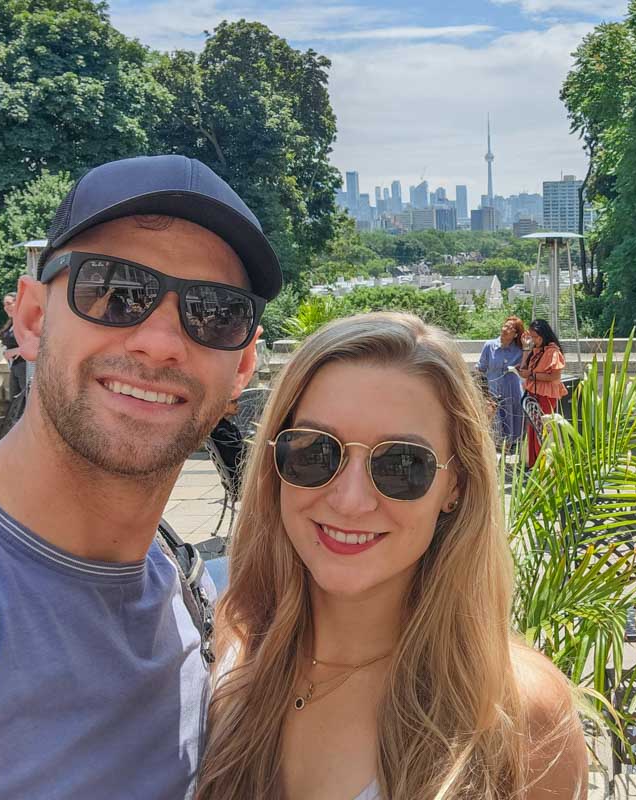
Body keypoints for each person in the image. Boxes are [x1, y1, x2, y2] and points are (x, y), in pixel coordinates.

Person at [0, 154, 281, 797]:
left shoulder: (188, 598)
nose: (160, 341)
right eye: (115, 290)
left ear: (241, 369)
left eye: (214, 312)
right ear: (32, 317)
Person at [196, 312, 587, 800]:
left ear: (455, 485)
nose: (350, 500)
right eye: (315, 452)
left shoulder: (522, 716)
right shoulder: (221, 653)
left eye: (402, 464)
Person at [517, 319, 568, 467]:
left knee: (544, 428)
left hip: (545, 396)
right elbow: (523, 370)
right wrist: (526, 349)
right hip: (532, 393)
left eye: (536, 337)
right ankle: (535, 463)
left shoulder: (553, 352)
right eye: (531, 337)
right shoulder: (536, 350)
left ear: (544, 335)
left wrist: (532, 375)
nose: (533, 340)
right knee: (533, 428)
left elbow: (554, 376)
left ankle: (546, 463)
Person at [476, 315, 526, 450]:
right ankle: (496, 449)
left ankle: (508, 450)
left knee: (511, 419)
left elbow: (525, 369)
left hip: (512, 391)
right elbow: (480, 369)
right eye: (505, 325)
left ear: (516, 334)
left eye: (510, 328)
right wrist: (483, 392)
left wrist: (526, 348)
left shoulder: (519, 350)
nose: (505, 329)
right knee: (494, 422)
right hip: (493, 390)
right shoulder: (490, 345)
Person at [0, 291, 27, 400]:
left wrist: (16, 351)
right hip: (14, 367)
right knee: (15, 403)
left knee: (24, 401)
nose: (6, 307)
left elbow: (37, 343)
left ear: (18, 303)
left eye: (9, 303)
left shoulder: (26, 322)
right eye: (4, 304)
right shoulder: (12, 323)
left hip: (25, 367)